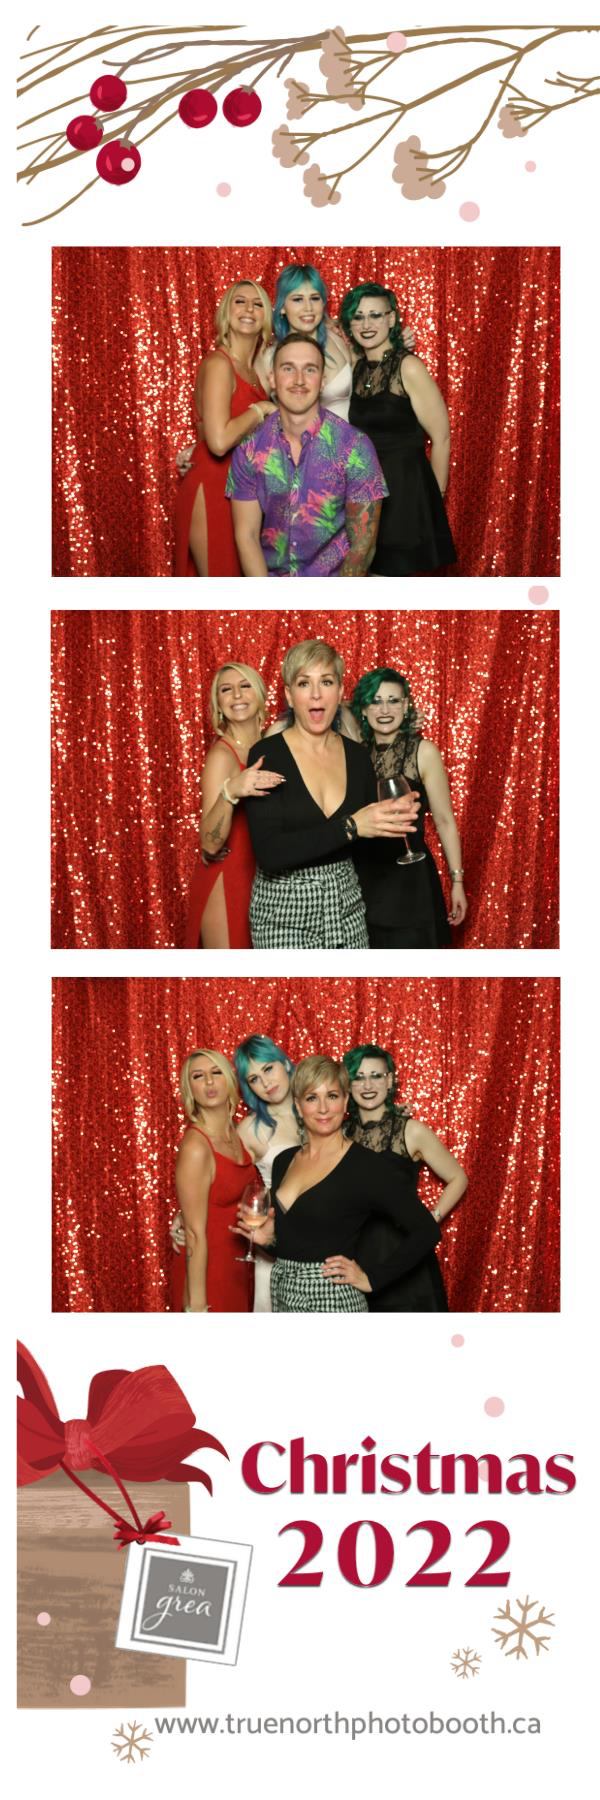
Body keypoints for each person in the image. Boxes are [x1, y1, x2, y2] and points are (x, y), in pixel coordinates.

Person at [244, 639, 420, 949]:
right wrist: (351, 826)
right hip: (283, 915)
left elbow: (367, 849)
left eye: (326, 682)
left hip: (347, 910)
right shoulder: (267, 754)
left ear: (339, 692)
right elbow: (270, 853)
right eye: (304, 683)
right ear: (289, 695)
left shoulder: (357, 757)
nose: (316, 694)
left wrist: (392, 824)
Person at [240, 1056, 442, 1312]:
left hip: (332, 1297)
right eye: (312, 1098)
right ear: (298, 1106)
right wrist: (268, 1241)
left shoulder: (366, 1165)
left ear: (345, 1101)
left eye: (332, 1096)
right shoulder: (283, 1161)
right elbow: (303, 1244)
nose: (323, 1108)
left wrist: (373, 1279)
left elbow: (427, 1230)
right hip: (282, 1292)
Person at [226, 334, 388, 577]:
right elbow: (246, 535)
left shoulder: (354, 447)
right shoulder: (250, 450)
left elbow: (362, 548)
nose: (299, 380)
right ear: (272, 378)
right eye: (288, 368)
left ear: (322, 381)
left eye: (310, 369)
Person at [340, 281, 457, 575]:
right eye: (358, 316)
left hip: (405, 494)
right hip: (367, 493)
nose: (366, 324)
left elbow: (441, 437)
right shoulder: (356, 368)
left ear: (391, 319)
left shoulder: (409, 367)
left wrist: (434, 499)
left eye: (375, 315)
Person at [343, 1043, 468, 1310]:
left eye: (376, 1075)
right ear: (348, 1084)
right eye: (358, 1077)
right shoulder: (339, 1133)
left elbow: (458, 1178)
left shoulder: (411, 1131)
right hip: (355, 1260)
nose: (368, 1085)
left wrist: (433, 1218)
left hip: (406, 1258)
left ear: (390, 1080)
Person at [349, 667, 467, 946]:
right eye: (375, 701)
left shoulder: (423, 752)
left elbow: (444, 820)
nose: (384, 709)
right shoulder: (353, 754)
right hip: (364, 881)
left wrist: (457, 882)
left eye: (393, 700)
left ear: (406, 706)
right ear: (363, 709)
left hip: (411, 880)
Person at [174, 279, 275, 577]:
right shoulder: (220, 364)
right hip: (214, 484)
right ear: (226, 313)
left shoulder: (255, 369)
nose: (249, 309)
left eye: (257, 304)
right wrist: (260, 410)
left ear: (266, 316)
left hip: (243, 488)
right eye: (239, 301)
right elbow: (218, 442)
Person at [183, 662, 284, 949]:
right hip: (230, 875)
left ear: (261, 695)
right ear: (218, 703)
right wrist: (230, 792)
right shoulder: (222, 756)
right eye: (226, 689)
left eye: (245, 686)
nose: (237, 695)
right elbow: (209, 843)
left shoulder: (271, 744)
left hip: (267, 874)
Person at [173, 1049, 255, 1313]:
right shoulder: (196, 1146)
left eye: (216, 1072)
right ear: (190, 1089)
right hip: (206, 1272)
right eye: (198, 1076)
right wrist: (197, 1307)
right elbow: (194, 1234)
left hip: (236, 1266)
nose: (209, 1081)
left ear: (229, 1080)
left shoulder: (235, 1134)